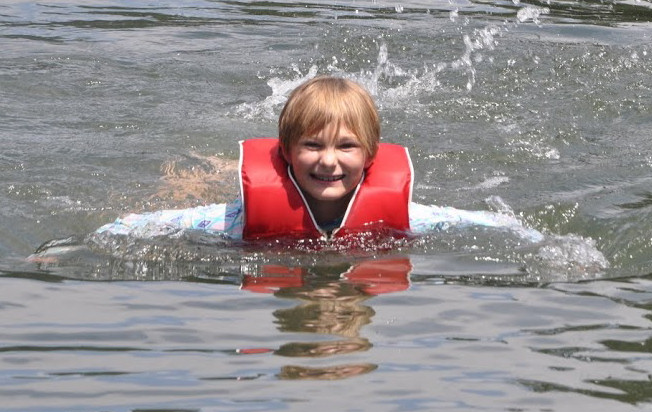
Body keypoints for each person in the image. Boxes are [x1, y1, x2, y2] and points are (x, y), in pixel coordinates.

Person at [93, 76, 542, 245]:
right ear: (286, 152)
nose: (329, 162)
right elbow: (140, 225)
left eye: (346, 146)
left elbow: (491, 224)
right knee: (186, 188)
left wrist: (545, 245)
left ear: (371, 156)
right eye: (312, 145)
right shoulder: (234, 221)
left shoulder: (409, 217)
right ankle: (198, 171)